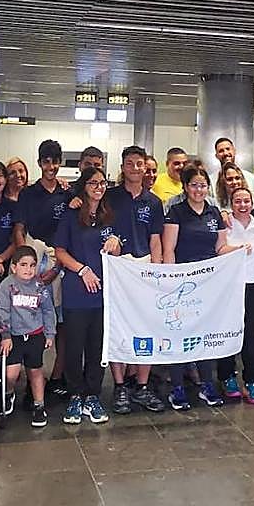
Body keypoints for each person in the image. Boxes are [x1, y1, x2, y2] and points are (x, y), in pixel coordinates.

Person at [161, 164, 246, 410]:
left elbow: (220, 247)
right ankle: (177, 388)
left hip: (208, 285)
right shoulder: (175, 212)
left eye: (203, 185)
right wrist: (171, 281)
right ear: (185, 187)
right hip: (182, 285)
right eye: (194, 185)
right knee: (180, 335)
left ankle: (206, 385)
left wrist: (239, 250)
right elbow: (169, 250)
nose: (199, 190)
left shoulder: (214, 212)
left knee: (205, 334)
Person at [53, 167, 122, 424]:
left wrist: (116, 243)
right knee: (74, 347)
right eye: (93, 183)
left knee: (97, 346)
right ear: (83, 186)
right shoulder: (72, 215)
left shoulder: (109, 215)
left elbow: (115, 250)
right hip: (77, 291)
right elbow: (60, 251)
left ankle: (93, 395)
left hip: (104, 293)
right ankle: (75, 396)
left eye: (102, 183)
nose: (98, 187)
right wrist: (83, 270)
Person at [104, 145, 166, 414]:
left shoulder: (153, 202)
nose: (135, 168)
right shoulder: (110, 196)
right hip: (118, 268)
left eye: (139, 163)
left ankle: (141, 385)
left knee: (146, 327)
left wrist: (158, 270)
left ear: (145, 168)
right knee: (118, 327)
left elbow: (156, 239)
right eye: (129, 163)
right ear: (123, 167)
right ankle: (119, 386)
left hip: (144, 268)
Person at [13, 139, 72, 396]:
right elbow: (19, 229)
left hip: (60, 260)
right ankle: (32, 381)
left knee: (61, 322)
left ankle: (58, 377)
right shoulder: (28, 194)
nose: (51, 166)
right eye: (46, 161)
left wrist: (58, 266)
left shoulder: (68, 194)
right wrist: (24, 262)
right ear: (39, 163)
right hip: (33, 260)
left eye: (55, 161)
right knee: (30, 321)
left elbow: (71, 233)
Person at [216, 185, 254, 404]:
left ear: (252, 203)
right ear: (231, 204)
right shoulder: (226, 224)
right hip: (229, 286)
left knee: (250, 334)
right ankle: (227, 376)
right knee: (228, 331)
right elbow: (219, 250)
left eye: (246, 201)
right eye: (238, 201)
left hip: (252, 286)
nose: (242, 205)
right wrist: (237, 249)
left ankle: (252, 380)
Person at [0, 247, 56, 428]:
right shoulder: (7, 285)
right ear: (14, 267)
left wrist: (50, 333)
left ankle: (39, 405)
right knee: (11, 373)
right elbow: (3, 310)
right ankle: (8, 393)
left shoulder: (40, 287)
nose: (28, 269)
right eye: (23, 265)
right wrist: (5, 335)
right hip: (14, 337)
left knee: (36, 371)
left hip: (35, 335)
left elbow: (47, 310)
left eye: (32, 265)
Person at [213, 137, 254, 204]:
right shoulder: (211, 180)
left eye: (228, 149)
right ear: (216, 156)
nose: (225, 153)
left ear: (234, 151)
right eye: (221, 151)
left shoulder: (251, 178)